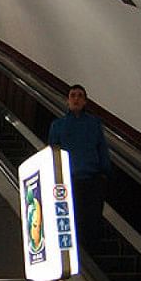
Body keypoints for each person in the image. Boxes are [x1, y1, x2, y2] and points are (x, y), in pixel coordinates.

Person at [47, 84, 111, 249]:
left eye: (80, 96)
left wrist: (104, 173)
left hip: (92, 180)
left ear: (85, 102)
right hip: (69, 180)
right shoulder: (58, 125)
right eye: (73, 95)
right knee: (73, 219)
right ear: (67, 100)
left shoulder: (94, 124)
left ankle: (90, 251)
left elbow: (102, 149)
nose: (76, 99)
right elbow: (53, 152)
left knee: (91, 220)